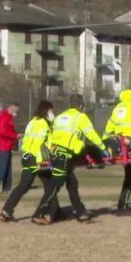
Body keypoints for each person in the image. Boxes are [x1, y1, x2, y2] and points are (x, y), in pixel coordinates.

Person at [33, 94, 108, 225]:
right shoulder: (80, 117)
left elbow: (50, 134)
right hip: (65, 154)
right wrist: (102, 147)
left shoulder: (60, 117)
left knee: (72, 183)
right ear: (81, 106)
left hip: (56, 153)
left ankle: (81, 213)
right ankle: (39, 213)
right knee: (55, 186)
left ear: (69, 105)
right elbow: (91, 134)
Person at [0, 100, 54, 222]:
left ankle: (6, 211)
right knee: (51, 187)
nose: (52, 113)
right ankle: (40, 214)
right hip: (38, 159)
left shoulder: (32, 122)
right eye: (51, 111)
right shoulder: (45, 124)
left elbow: (26, 140)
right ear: (47, 111)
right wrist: (45, 159)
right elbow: (44, 143)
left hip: (26, 156)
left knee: (23, 186)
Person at [103, 88, 131, 219]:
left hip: (119, 145)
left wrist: (104, 142)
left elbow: (109, 126)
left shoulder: (118, 107)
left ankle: (126, 205)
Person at [0, 103, 22, 195]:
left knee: (8, 169)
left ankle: (7, 188)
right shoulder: (3, 116)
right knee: (0, 169)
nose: (17, 113)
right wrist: (15, 135)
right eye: (16, 110)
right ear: (12, 108)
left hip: (7, 146)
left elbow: (8, 130)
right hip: (2, 147)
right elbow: (2, 132)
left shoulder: (9, 117)